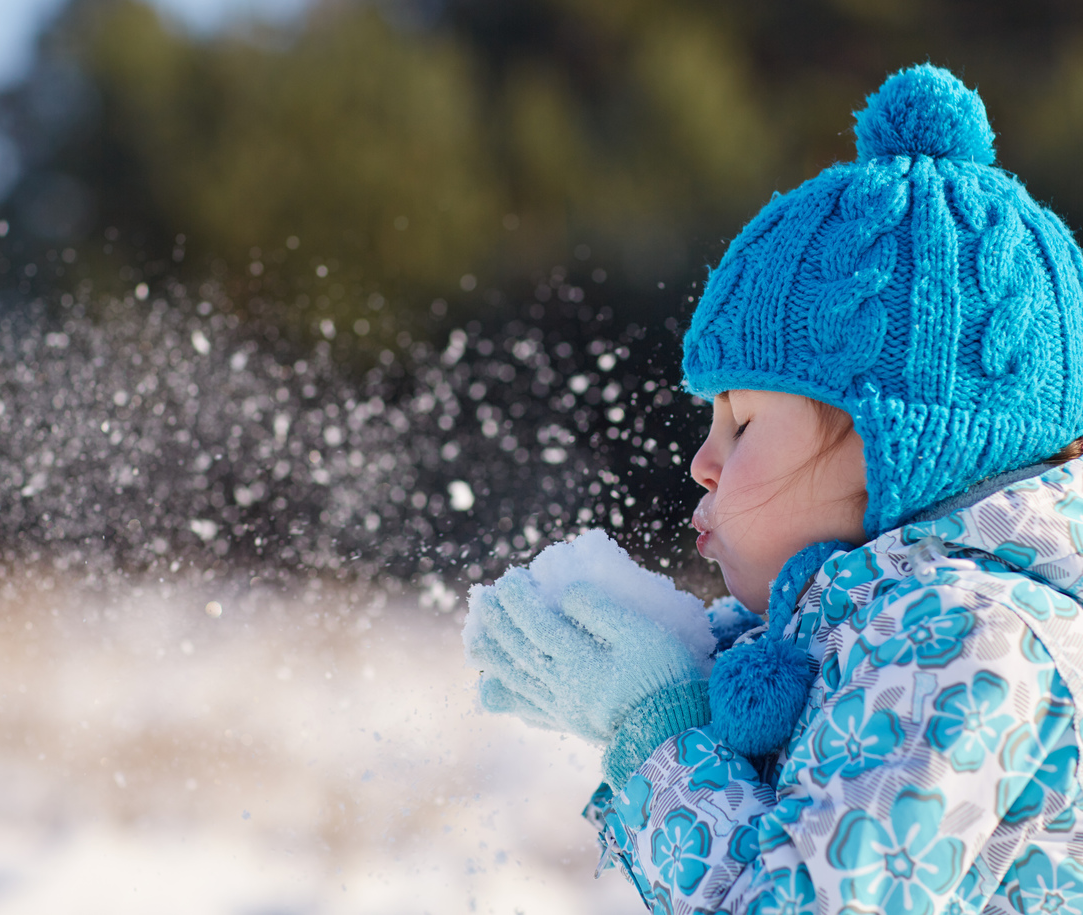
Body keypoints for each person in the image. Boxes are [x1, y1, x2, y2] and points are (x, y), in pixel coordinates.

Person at [464, 64, 1083, 914]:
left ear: (897, 448)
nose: (701, 462)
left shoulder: (964, 642)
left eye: (743, 422)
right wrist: (679, 680)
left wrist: (659, 739)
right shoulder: (873, 632)